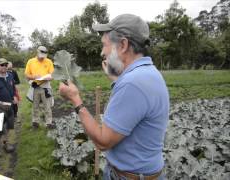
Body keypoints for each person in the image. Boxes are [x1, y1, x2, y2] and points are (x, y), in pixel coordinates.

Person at [59, 14, 169, 180]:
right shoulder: (148, 73)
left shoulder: (133, 84)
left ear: (123, 45)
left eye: (105, 45)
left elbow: (103, 142)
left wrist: (75, 100)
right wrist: (118, 80)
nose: (102, 52)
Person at [24, 46, 55, 129]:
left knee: (47, 106)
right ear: (37, 53)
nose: (42, 58)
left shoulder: (49, 62)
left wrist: (49, 77)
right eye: (41, 56)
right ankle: (35, 122)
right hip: (35, 86)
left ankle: (49, 123)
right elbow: (26, 75)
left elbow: (52, 75)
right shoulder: (31, 61)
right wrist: (34, 76)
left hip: (46, 86)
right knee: (35, 106)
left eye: (43, 57)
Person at [0, 58, 16, 153]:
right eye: (2, 65)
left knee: (9, 126)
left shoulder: (10, 75)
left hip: (10, 106)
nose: (4, 67)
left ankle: (6, 143)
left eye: (6, 65)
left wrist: (14, 96)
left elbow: (13, 87)